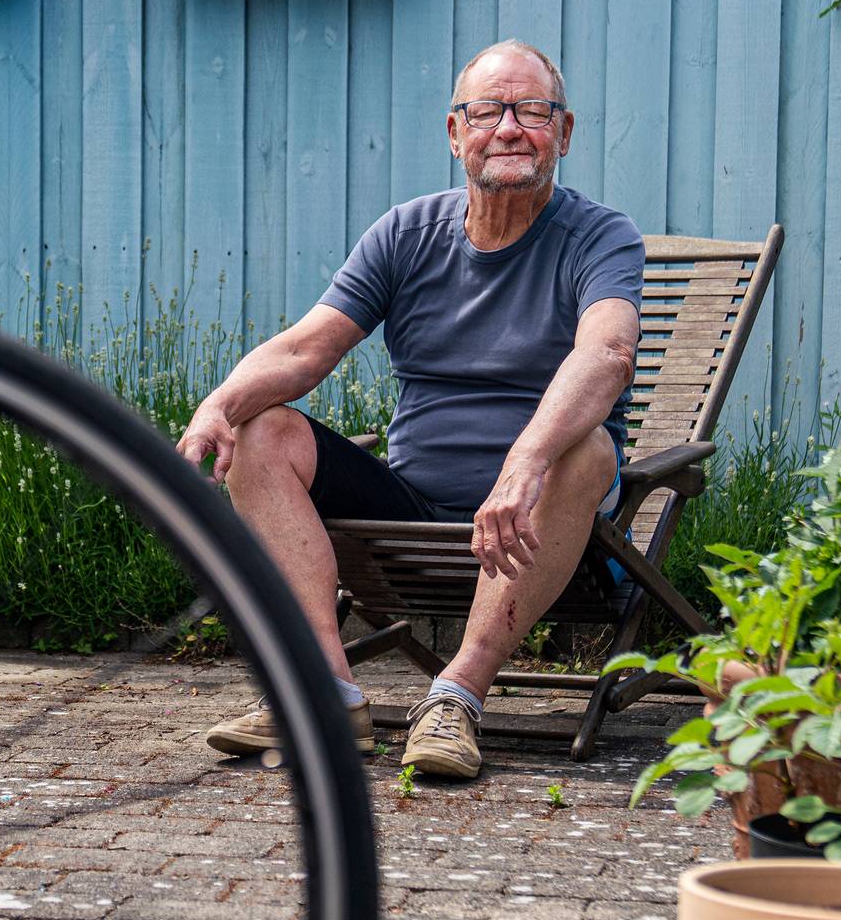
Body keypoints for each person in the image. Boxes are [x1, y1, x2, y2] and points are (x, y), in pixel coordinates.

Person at [177, 39, 642, 781]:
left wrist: (524, 460)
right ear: (456, 132)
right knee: (262, 426)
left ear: (565, 130)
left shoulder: (600, 236)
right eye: (487, 110)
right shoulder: (406, 233)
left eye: (532, 110)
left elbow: (608, 355)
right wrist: (218, 405)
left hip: (542, 516)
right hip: (415, 510)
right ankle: (327, 694)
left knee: (584, 450)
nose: (510, 127)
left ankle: (457, 696)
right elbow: (306, 351)